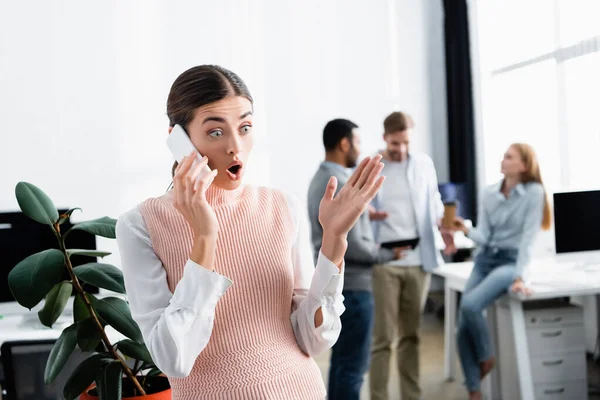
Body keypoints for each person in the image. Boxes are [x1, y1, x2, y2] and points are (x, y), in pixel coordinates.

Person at [115, 65, 387, 400]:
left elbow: (312, 340)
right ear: (178, 140)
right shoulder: (140, 224)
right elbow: (174, 359)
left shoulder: (281, 206)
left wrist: (335, 240)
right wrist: (205, 238)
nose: (235, 146)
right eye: (216, 132)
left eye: (245, 127)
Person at [307, 119, 402, 400]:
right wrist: (387, 254)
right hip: (355, 287)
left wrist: (366, 216)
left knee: (342, 362)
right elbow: (353, 245)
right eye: (358, 143)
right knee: (353, 366)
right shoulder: (340, 181)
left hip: (336, 282)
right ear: (344, 143)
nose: (359, 150)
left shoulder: (322, 177)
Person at [450, 143, 552, 400]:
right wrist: (465, 229)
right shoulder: (488, 193)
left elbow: (528, 239)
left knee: (470, 305)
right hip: (485, 259)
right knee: (462, 327)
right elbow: (484, 235)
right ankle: (474, 390)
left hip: (509, 262)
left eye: (509, 157)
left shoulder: (534, 192)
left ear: (524, 165)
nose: (503, 160)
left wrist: (519, 276)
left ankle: (486, 357)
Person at [369, 111, 451, 400]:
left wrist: (444, 221)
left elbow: (433, 200)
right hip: (386, 262)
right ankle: (378, 396)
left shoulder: (424, 164)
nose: (400, 149)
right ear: (384, 138)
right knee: (383, 339)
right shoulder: (372, 167)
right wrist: (367, 214)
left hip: (418, 260)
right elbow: (357, 207)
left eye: (405, 143)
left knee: (411, 336)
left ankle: (411, 396)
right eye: (394, 143)